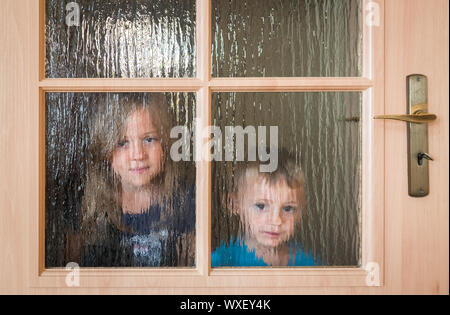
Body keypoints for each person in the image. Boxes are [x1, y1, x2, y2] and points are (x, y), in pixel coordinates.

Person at [80, 93, 195, 267]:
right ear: (104, 150)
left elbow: (190, 273)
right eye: (122, 143)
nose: (138, 155)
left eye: (149, 139)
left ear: (166, 144)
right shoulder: (89, 205)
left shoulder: (185, 199)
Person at [211, 150, 317, 267]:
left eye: (288, 208)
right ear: (233, 204)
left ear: (302, 209)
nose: (276, 220)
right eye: (261, 206)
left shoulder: (308, 263)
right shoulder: (219, 262)